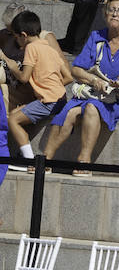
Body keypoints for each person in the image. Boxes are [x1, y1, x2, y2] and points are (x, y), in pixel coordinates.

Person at [48, 0, 119, 171]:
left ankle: (84, 160)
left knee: (91, 106)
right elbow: (76, 70)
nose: (114, 14)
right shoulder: (96, 37)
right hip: (94, 93)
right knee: (70, 111)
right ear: (105, 14)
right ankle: (45, 159)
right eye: (111, 9)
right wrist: (93, 80)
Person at [3, 11, 72, 166]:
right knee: (15, 114)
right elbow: (69, 77)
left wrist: (11, 64)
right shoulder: (49, 47)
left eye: (16, 37)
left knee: (13, 120)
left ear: (23, 35)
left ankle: (28, 161)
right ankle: (22, 152)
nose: (16, 41)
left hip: (49, 102)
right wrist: (52, 87)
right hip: (59, 98)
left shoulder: (31, 48)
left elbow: (24, 77)